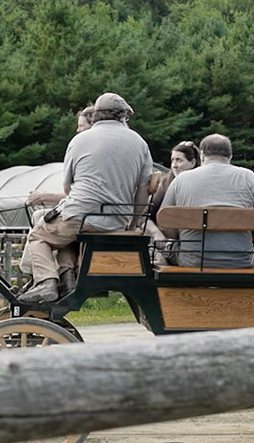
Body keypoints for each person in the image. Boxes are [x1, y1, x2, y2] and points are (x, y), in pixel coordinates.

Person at [18, 92, 154, 304]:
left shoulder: (80, 140)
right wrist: (133, 223)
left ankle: (46, 282)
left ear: (97, 115)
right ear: (122, 116)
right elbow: (144, 188)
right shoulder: (139, 142)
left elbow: (67, 187)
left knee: (39, 236)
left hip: (80, 216)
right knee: (67, 237)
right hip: (116, 220)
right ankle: (66, 281)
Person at [158, 133, 254, 268]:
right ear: (230, 156)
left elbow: (164, 222)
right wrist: (252, 238)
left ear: (202, 155)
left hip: (192, 260)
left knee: (170, 248)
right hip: (240, 260)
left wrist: (182, 236)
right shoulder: (249, 177)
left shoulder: (181, 179)